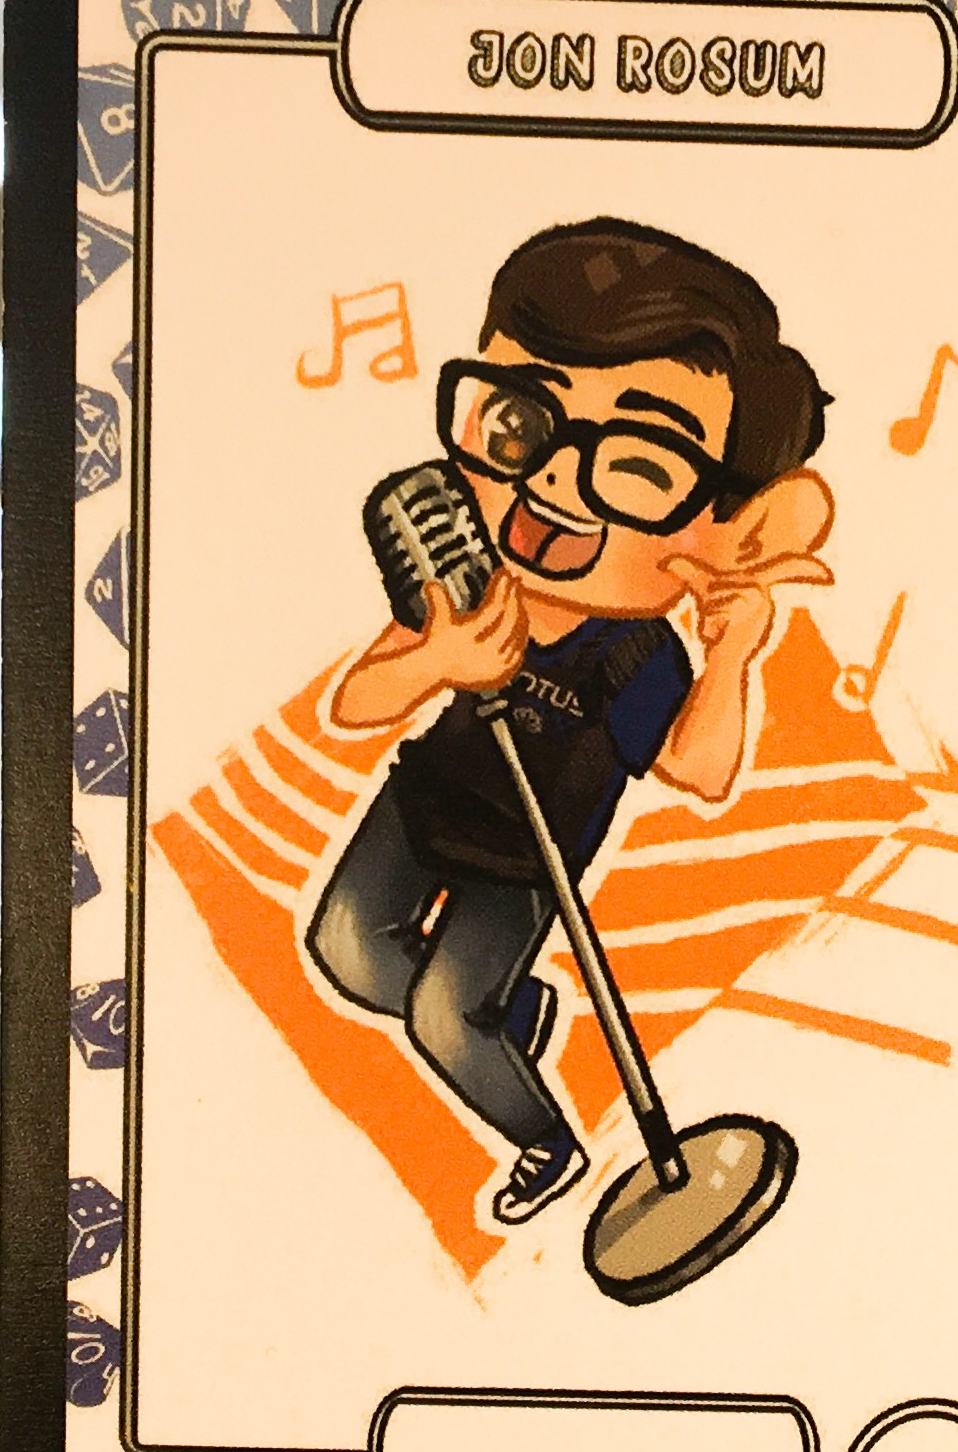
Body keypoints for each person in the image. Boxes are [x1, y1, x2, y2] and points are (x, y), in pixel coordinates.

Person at [308, 218, 835, 1227]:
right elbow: (354, 702)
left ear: (726, 525)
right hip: (423, 806)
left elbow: (700, 773)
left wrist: (732, 654)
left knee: (444, 1020)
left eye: (638, 465)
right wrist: (437, 661)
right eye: (520, 422)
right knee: (349, 953)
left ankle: (544, 1141)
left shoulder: (636, 653)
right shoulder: (466, 582)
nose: (551, 478)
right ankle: (511, 1015)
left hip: (528, 857)